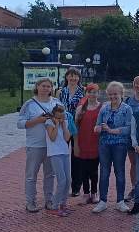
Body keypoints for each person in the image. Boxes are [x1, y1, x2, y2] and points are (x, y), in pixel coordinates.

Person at [18, 78, 62, 212]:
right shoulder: (29, 104)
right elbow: (20, 123)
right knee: (31, 175)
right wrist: (38, 120)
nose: (46, 88)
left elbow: (63, 118)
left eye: (49, 86)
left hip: (52, 145)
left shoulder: (56, 102)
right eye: (43, 86)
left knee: (50, 175)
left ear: (52, 88)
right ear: (37, 87)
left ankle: (49, 200)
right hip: (35, 145)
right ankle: (30, 202)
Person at [92, 81, 133, 213]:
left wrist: (111, 130)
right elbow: (97, 125)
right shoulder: (104, 108)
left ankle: (120, 201)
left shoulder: (127, 109)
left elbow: (129, 128)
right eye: (110, 94)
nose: (113, 96)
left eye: (115, 94)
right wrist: (97, 128)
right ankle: (102, 201)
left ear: (121, 93)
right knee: (104, 172)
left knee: (119, 172)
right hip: (104, 144)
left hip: (120, 144)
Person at [58, 67, 85, 198]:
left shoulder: (83, 91)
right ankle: (63, 185)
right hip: (64, 125)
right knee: (62, 155)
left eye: (76, 76)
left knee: (77, 156)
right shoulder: (60, 91)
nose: (73, 78)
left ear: (79, 78)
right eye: (71, 75)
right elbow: (56, 108)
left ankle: (76, 187)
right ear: (66, 77)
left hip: (79, 126)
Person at [74, 83, 102, 205]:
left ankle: (94, 193)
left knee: (94, 170)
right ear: (86, 93)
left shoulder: (102, 107)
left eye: (94, 92)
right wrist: (76, 143)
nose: (92, 94)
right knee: (83, 170)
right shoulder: (81, 108)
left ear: (98, 93)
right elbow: (75, 127)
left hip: (96, 142)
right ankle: (86, 193)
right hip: (83, 142)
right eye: (90, 92)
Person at [44, 105, 72, 217]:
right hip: (55, 153)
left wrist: (64, 126)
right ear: (54, 116)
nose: (61, 119)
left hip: (65, 152)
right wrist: (56, 124)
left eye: (62, 117)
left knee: (68, 180)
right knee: (62, 180)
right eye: (58, 117)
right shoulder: (49, 123)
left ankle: (63, 204)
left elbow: (67, 138)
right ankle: (55, 206)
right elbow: (52, 137)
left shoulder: (65, 122)